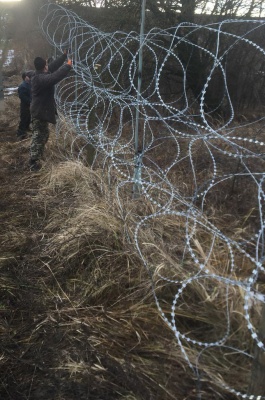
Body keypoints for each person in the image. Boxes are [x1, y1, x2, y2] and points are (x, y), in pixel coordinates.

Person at [29, 50, 72, 171]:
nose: (48, 66)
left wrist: (63, 56)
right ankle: (33, 161)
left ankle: (37, 155)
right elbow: (54, 77)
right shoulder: (40, 79)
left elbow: (53, 67)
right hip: (39, 112)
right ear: (44, 67)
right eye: (47, 65)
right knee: (39, 136)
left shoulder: (39, 73)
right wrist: (67, 66)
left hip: (40, 111)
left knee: (44, 134)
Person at [16, 71, 32, 140]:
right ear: (25, 77)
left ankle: (26, 129)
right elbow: (22, 96)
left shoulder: (29, 84)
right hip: (25, 105)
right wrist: (30, 102)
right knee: (24, 118)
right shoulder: (22, 86)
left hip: (29, 105)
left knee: (28, 117)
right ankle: (20, 133)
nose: (30, 78)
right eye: (28, 76)